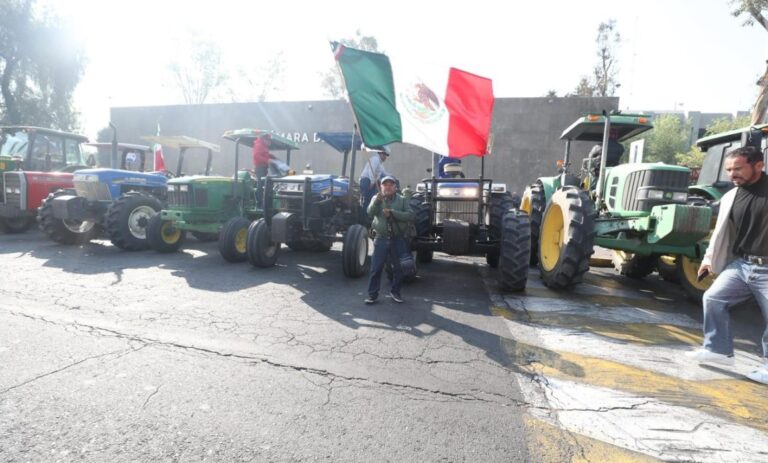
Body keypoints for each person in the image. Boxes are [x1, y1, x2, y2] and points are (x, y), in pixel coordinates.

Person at [684, 145, 768, 385]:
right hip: (742, 265)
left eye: (738, 168)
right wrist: (709, 259)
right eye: (729, 170)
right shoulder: (732, 196)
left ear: (759, 166)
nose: (732, 174)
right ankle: (718, 350)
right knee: (714, 298)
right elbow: (721, 233)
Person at [365, 175, 414, 304]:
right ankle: (372, 295)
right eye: (385, 184)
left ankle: (395, 292)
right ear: (381, 187)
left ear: (395, 187)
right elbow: (369, 213)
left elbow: (410, 215)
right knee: (376, 268)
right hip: (381, 238)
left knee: (399, 268)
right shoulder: (376, 198)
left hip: (397, 239)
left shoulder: (402, 200)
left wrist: (393, 213)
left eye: (390, 184)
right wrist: (377, 202)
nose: (387, 187)